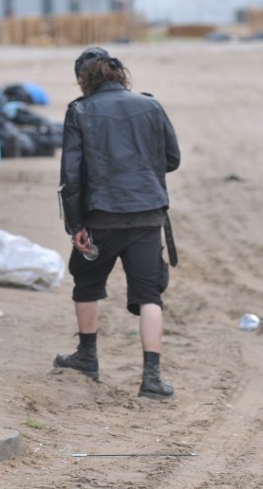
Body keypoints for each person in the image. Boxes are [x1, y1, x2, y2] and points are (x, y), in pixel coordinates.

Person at [55, 47, 181, 400]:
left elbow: (71, 174)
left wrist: (75, 224)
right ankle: (152, 377)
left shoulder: (79, 111)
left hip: (101, 216)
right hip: (147, 213)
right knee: (149, 295)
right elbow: (172, 159)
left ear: (84, 79)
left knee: (87, 283)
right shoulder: (150, 105)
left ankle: (87, 357)